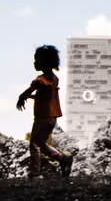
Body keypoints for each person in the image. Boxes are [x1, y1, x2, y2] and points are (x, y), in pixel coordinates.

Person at [16, 44, 73, 176]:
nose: (34, 62)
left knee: (35, 145)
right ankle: (63, 159)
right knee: (40, 143)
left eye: (36, 60)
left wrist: (22, 96)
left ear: (44, 62)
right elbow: (43, 96)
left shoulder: (41, 79)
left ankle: (35, 172)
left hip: (42, 118)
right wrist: (29, 96)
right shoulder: (54, 79)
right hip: (51, 118)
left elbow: (33, 88)